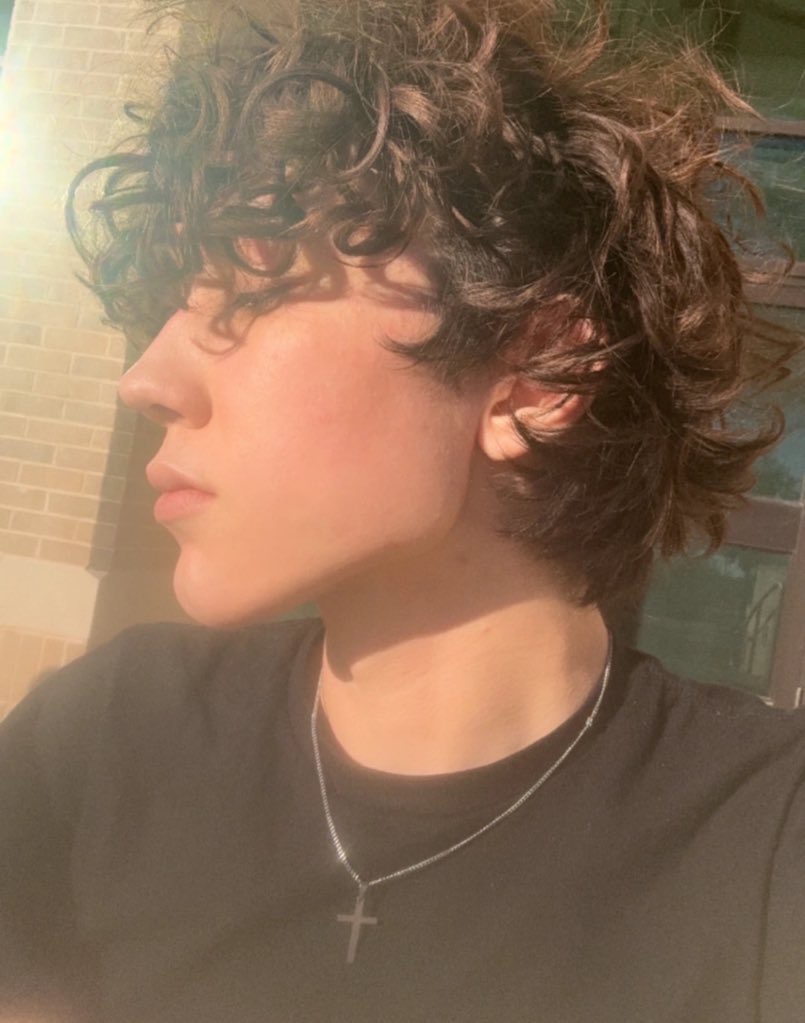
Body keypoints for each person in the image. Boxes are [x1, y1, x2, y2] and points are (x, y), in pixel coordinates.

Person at [2, 1, 804, 1020]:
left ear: (535, 375)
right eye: (171, 305)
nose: (147, 380)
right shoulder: (102, 742)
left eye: (252, 286)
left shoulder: (765, 848)